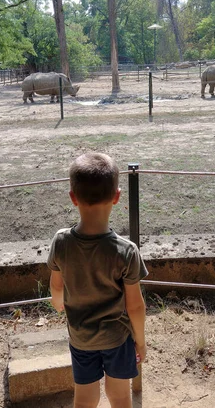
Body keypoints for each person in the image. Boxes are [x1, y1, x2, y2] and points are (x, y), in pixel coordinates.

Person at [47, 152, 148, 408]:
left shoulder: (61, 242)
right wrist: (140, 340)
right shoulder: (126, 251)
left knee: (84, 397)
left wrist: (59, 303)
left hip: (81, 338)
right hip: (117, 338)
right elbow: (135, 305)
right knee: (120, 396)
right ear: (117, 197)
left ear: (73, 197)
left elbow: (56, 287)